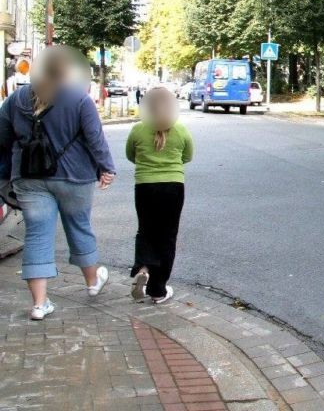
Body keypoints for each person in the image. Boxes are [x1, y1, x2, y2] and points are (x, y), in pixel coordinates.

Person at [0, 46, 116, 320]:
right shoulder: (79, 99)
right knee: (79, 226)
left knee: (37, 234)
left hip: (29, 178)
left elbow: (2, 139)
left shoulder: (17, 99)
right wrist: (106, 167)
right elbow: (95, 139)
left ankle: (40, 304)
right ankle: (92, 282)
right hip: (75, 176)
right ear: (67, 70)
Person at [126, 87, 193, 304]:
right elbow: (188, 156)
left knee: (145, 230)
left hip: (145, 187)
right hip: (173, 187)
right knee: (167, 236)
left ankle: (143, 267)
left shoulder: (138, 130)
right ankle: (157, 290)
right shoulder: (181, 130)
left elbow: (130, 155)